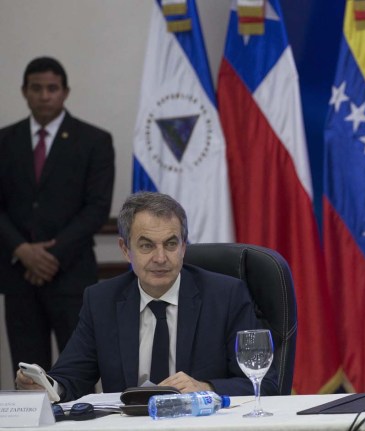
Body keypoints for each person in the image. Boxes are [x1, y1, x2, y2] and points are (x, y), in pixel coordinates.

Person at [16, 191, 278, 402]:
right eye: (146, 245)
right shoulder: (101, 301)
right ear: (125, 249)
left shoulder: (226, 296)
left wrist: (206, 387)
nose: (160, 258)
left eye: (171, 244)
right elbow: (71, 377)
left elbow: (264, 383)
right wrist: (45, 387)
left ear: (184, 247)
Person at [0, 56, 115, 373]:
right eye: (36, 88)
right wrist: (22, 251)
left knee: (77, 374)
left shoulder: (94, 141)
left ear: (65, 92)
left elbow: (96, 208)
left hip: (72, 276)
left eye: (52, 88)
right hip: (18, 277)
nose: (44, 95)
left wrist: (51, 256)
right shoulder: (4, 141)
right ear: (24, 91)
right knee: (27, 375)